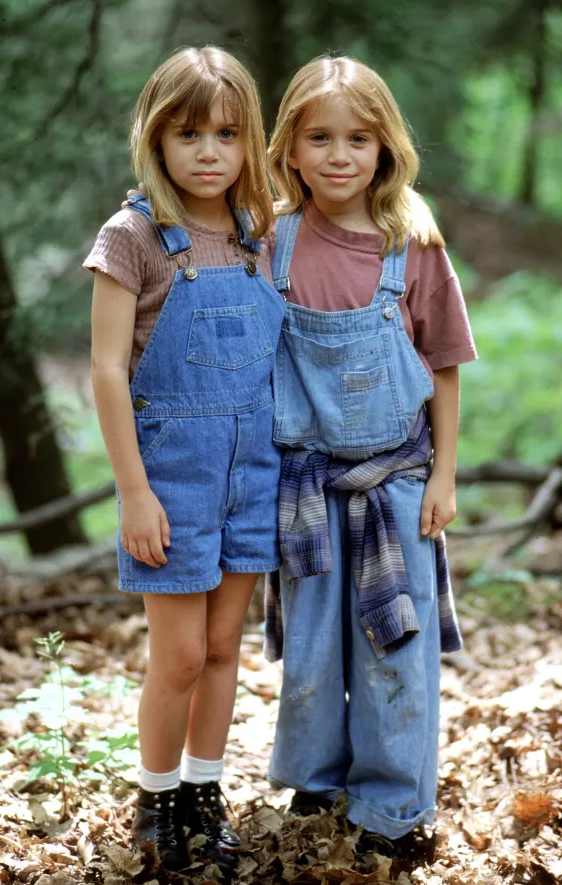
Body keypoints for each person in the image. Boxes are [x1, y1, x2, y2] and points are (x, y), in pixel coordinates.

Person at [264, 55, 477, 859]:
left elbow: (446, 362)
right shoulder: (273, 243)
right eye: (320, 137)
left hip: (397, 483)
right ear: (289, 146)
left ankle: (390, 808)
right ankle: (319, 787)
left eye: (359, 138)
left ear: (386, 147)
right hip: (307, 490)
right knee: (314, 653)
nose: (339, 155)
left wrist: (446, 473)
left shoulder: (410, 243)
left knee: (396, 652)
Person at [84, 46, 285, 876]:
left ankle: (206, 793)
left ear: (251, 143)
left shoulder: (256, 231)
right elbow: (103, 369)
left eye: (228, 133)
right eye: (188, 132)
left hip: (253, 469)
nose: (209, 151)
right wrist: (133, 491)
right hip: (171, 474)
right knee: (175, 655)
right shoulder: (132, 236)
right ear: (155, 138)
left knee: (223, 647)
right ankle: (156, 797)